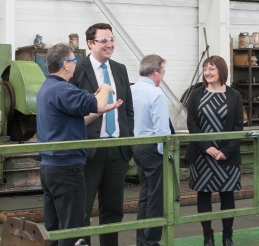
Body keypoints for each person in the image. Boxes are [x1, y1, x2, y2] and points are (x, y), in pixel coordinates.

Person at [36, 43, 123, 246]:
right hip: (67, 167)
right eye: (74, 61)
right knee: (73, 227)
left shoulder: (46, 88)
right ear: (65, 65)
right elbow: (98, 101)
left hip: (49, 166)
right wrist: (104, 88)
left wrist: (100, 110)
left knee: (56, 226)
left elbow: (76, 119)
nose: (75, 65)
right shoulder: (64, 89)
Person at [69, 23, 134, 246]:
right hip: (89, 151)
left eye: (112, 39)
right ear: (90, 43)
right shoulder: (78, 70)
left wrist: (128, 135)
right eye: (104, 40)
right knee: (83, 210)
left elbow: (128, 109)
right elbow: (72, 110)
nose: (110, 45)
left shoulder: (120, 69)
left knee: (113, 209)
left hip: (117, 149)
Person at [185, 55, 243, 246]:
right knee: (204, 194)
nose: (208, 72)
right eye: (205, 69)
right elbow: (192, 124)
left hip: (227, 154)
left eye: (212, 68)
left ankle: (228, 236)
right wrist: (207, 147)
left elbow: (237, 126)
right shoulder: (196, 94)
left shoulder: (234, 95)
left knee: (227, 194)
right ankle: (207, 236)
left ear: (221, 71)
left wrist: (226, 151)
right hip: (202, 154)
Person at [131, 54, 170, 246]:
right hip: (154, 148)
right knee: (156, 197)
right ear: (155, 72)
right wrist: (167, 155)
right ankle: (152, 241)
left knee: (145, 196)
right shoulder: (156, 94)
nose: (162, 76)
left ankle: (142, 240)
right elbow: (162, 130)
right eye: (162, 72)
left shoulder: (131, 90)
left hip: (137, 146)